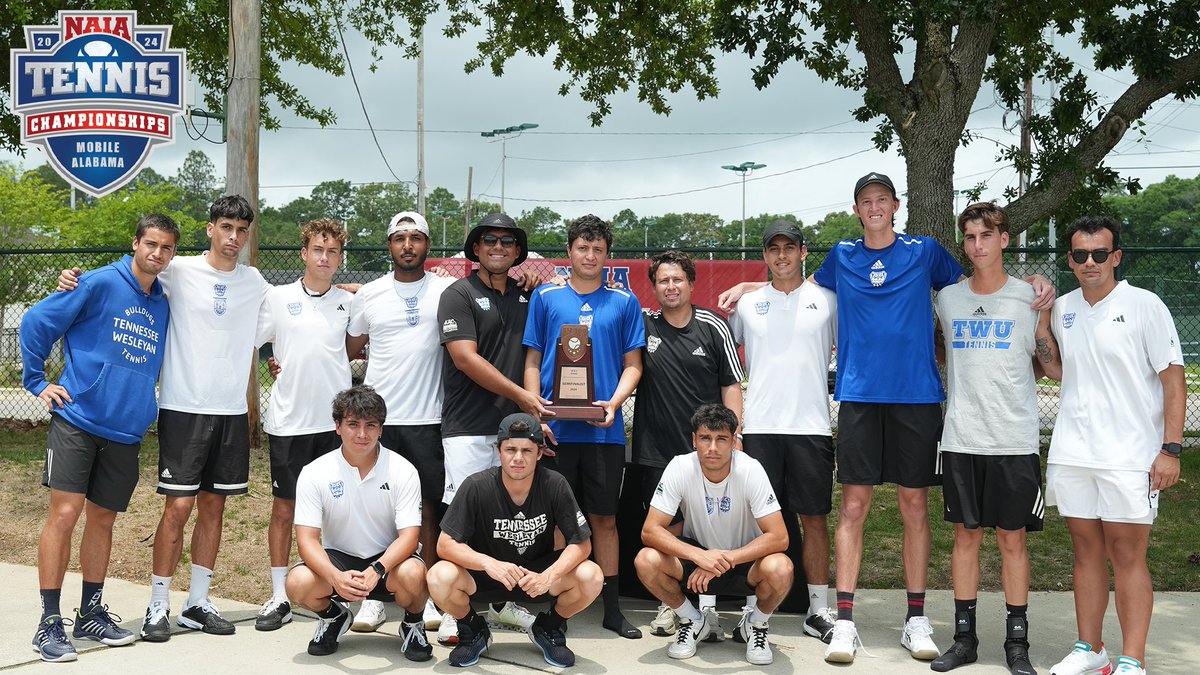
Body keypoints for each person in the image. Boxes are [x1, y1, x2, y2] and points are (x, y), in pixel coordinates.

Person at [719, 174, 1052, 664]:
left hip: (917, 398)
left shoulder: (926, 251)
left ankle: (916, 619)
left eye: (882, 200)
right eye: (865, 201)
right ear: (856, 209)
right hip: (858, 398)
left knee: (913, 508)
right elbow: (796, 285)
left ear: (895, 205)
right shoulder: (843, 256)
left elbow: (975, 286)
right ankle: (845, 624)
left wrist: (1034, 285)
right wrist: (752, 282)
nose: (874, 207)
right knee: (853, 508)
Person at [58, 196, 274, 640]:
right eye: (226, 227)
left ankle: (197, 603)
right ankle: (159, 604)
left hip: (232, 411)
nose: (234, 237)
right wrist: (71, 280)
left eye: (241, 230)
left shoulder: (256, 282)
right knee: (178, 506)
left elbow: (299, 302)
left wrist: (350, 291)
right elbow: (128, 275)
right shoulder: (178, 269)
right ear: (210, 229)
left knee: (215, 508)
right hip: (182, 407)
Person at [21, 215, 177, 662]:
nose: (158, 254)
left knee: (103, 520)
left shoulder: (162, 301)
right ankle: (49, 622)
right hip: (79, 419)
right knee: (65, 513)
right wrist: (37, 382)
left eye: (167, 248)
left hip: (125, 429)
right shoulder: (98, 282)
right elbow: (36, 321)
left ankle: (90, 611)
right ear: (135, 243)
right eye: (151, 244)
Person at [1038, 216, 1184, 675]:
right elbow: (1057, 369)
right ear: (1071, 260)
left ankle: (1132, 660)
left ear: (1116, 257)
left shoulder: (1145, 305)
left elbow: (1173, 379)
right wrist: (1042, 316)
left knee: (1127, 555)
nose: (1090, 262)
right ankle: (1090, 649)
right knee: (1084, 552)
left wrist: (1171, 448)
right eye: (1080, 255)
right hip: (1073, 451)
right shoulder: (1062, 308)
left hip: (1130, 456)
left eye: (1099, 253)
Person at [929, 203, 1045, 675]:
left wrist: (1047, 307)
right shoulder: (948, 299)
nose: (978, 244)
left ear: (1004, 239)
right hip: (961, 436)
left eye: (986, 235)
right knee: (966, 537)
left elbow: (1046, 362)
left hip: (1014, 439)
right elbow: (939, 346)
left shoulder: (1031, 297)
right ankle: (964, 638)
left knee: (1012, 540)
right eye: (970, 237)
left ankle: (1017, 644)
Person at [522, 214, 645, 638]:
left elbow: (633, 366)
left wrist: (613, 402)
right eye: (582, 247)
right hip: (557, 430)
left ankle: (612, 609)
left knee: (604, 518)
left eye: (598, 249)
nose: (589, 256)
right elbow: (533, 360)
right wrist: (536, 409)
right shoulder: (547, 298)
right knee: (557, 522)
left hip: (603, 430)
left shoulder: (624, 302)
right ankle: (558, 609)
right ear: (570, 251)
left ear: (607, 255)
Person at [437, 212, 551, 641]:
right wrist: (523, 396)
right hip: (468, 425)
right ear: (476, 249)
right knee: (460, 519)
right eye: (490, 240)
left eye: (507, 241)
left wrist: (530, 407)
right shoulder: (457, 294)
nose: (498, 247)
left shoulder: (527, 297)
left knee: (505, 519)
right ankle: (451, 606)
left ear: (518, 251)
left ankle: (502, 604)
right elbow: (464, 357)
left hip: (514, 430)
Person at [728, 220, 839, 645]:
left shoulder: (828, 300)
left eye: (789, 247)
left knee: (814, 519)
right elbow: (729, 360)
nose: (781, 255)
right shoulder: (747, 305)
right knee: (761, 524)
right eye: (773, 249)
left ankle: (816, 610)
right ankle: (758, 612)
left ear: (803, 251)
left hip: (811, 428)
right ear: (765, 256)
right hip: (759, 429)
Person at [345, 211, 456, 633]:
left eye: (415, 238)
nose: (407, 245)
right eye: (399, 238)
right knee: (376, 509)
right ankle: (373, 599)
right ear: (389, 245)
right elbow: (350, 347)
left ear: (427, 245)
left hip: (429, 418)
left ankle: (425, 596)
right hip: (377, 422)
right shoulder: (369, 294)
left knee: (427, 509)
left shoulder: (447, 289)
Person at [427, 413, 604, 668]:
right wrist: (488, 563)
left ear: (540, 453)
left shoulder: (555, 484)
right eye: (510, 449)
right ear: (499, 451)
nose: (518, 458)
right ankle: (473, 629)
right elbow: (445, 544)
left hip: (536, 575)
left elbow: (581, 543)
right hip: (489, 575)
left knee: (592, 576)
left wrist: (549, 576)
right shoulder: (477, 486)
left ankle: (548, 627)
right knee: (438, 576)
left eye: (526, 450)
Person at [631, 249, 744, 637]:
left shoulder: (714, 325)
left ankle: (710, 605)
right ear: (654, 287)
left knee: (709, 528)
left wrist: (736, 437)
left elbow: (731, 385)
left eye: (678, 279)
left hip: (708, 452)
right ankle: (672, 606)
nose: (671, 286)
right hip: (656, 450)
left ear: (692, 284)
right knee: (667, 531)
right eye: (663, 280)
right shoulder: (643, 325)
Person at [252, 218, 354, 631]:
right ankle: (279, 594)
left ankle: (342, 590)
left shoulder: (349, 303)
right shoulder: (277, 298)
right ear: (304, 253)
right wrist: (275, 364)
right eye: (318, 250)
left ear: (340, 258)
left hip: (335, 427)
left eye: (332, 252)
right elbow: (252, 342)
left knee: (339, 510)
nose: (324, 258)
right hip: (290, 424)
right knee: (285, 508)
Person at [634, 403, 792, 666]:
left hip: (744, 560)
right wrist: (700, 556)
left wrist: (723, 559)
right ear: (694, 440)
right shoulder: (680, 466)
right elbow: (650, 530)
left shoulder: (750, 469)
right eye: (705, 438)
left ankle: (756, 625)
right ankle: (693, 620)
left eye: (721, 439)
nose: (713, 448)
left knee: (781, 568)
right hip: (697, 560)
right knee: (645, 560)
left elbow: (779, 536)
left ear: (733, 441)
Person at [285, 385, 432, 661]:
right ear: (338, 426)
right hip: (340, 559)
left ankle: (413, 624)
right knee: (297, 582)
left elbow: (410, 537)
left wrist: (377, 569)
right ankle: (333, 617)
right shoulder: (315, 472)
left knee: (415, 574)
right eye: (353, 424)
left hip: (388, 562)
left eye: (370, 425)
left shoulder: (403, 470)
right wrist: (334, 577)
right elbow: (306, 540)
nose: (362, 434)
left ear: (381, 430)